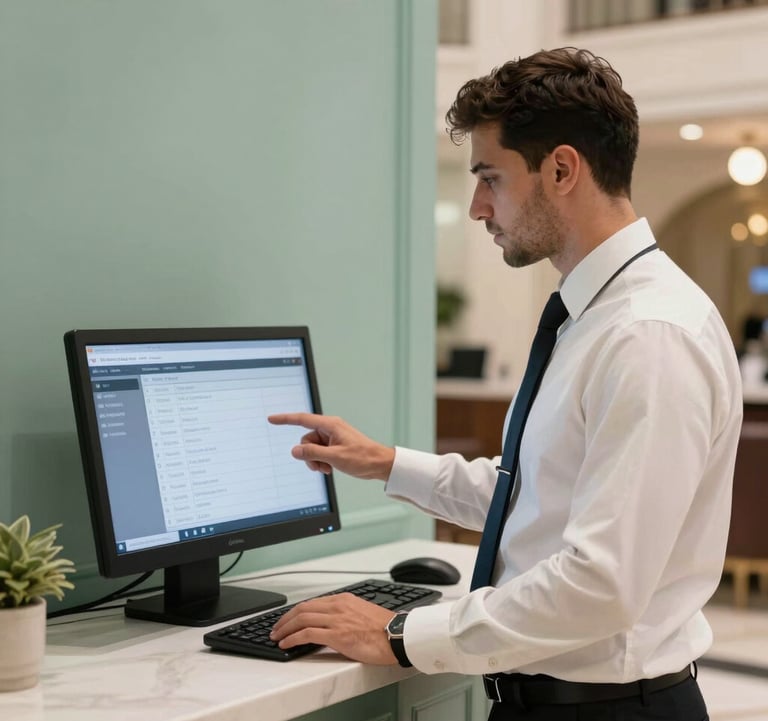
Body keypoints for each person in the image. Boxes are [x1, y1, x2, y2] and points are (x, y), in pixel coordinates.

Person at [269, 47, 742, 720]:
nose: (476, 207)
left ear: (560, 169)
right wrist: (385, 463)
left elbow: (601, 584)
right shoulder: (593, 317)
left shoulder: (647, 334)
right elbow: (536, 499)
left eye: (490, 177)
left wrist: (398, 633)